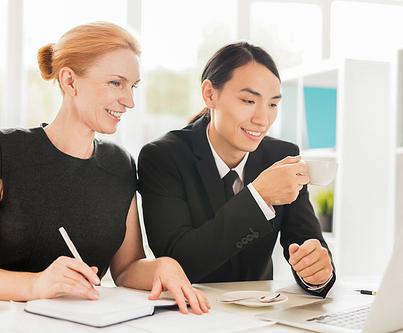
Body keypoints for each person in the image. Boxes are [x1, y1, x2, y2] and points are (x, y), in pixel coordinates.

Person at [0, 22, 209, 315]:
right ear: (70, 81)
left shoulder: (120, 163)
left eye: (132, 86)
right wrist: (37, 284)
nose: (129, 101)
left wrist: (163, 266)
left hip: (91, 322)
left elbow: (126, 269)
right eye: (116, 83)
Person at [138, 42, 336, 297]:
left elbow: (307, 243)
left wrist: (317, 273)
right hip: (190, 310)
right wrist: (258, 196)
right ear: (210, 94)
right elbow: (178, 261)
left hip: (262, 313)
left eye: (272, 104)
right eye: (248, 100)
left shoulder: (281, 156)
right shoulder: (163, 157)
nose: (262, 119)